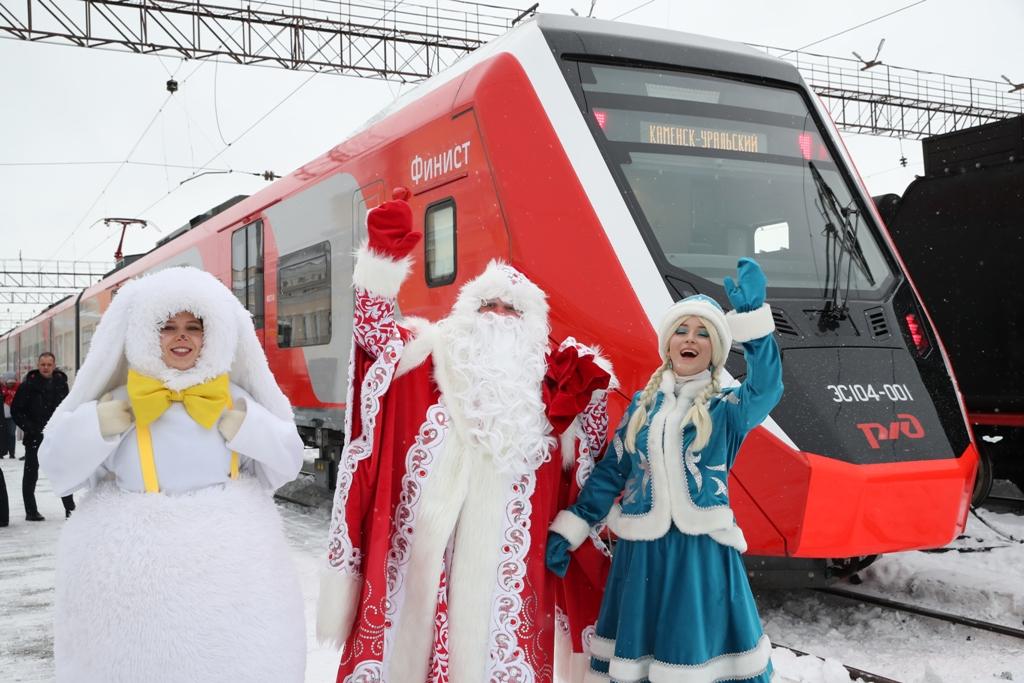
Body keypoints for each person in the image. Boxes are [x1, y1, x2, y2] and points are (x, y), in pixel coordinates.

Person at [317, 199, 615, 682]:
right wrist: (380, 265)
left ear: (533, 325)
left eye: (511, 310)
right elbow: (375, 337)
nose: (497, 316)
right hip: (428, 555)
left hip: (511, 575)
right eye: (487, 305)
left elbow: (596, 463)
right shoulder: (431, 357)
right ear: (465, 311)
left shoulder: (555, 386)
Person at [38, 266, 306, 682]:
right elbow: (58, 466)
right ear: (146, 335)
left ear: (211, 336)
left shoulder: (235, 400)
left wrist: (245, 427)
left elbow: (286, 463)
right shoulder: (119, 399)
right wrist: (105, 423)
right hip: (134, 580)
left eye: (193, 327)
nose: (181, 337)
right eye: (167, 327)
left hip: (225, 573)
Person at [546, 258, 783, 683]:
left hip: (700, 554)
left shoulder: (727, 407)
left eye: (702, 333)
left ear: (715, 350)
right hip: (642, 555)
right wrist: (575, 524)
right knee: (645, 660)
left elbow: (767, 388)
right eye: (682, 330)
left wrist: (754, 326)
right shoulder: (642, 406)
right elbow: (611, 473)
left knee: (695, 657)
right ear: (668, 343)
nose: (690, 339)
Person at [12, 352, 73, 520]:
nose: (45, 368)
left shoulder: (62, 384)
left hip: (56, 437)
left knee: (63, 472)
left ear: (54, 366)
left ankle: (70, 509)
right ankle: (31, 511)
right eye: (43, 364)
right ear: (38, 366)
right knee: (31, 474)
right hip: (34, 438)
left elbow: (67, 407)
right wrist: (31, 428)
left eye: (49, 364)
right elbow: (16, 410)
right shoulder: (28, 385)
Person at [1, 373, 18, 458]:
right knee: (3, 434)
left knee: (11, 434)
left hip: (11, 416)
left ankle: (12, 453)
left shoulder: (17, 389)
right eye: (9, 383)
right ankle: (2, 452)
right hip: (2, 416)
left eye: (12, 383)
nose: (11, 384)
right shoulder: (2, 389)